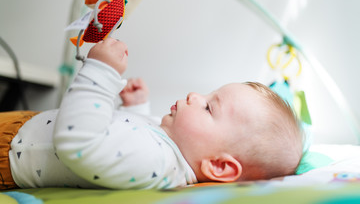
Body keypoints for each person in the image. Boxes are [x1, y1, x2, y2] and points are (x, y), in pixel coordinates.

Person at [0, 38, 303, 190]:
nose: (194, 96)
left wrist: (100, 73)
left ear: (219, 166)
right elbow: (128, 137)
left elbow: (80, 144)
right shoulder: (166, 147)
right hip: (22, 128)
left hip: (8, 151)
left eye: (209, 107)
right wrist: (137, 108)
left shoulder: (156, 162)